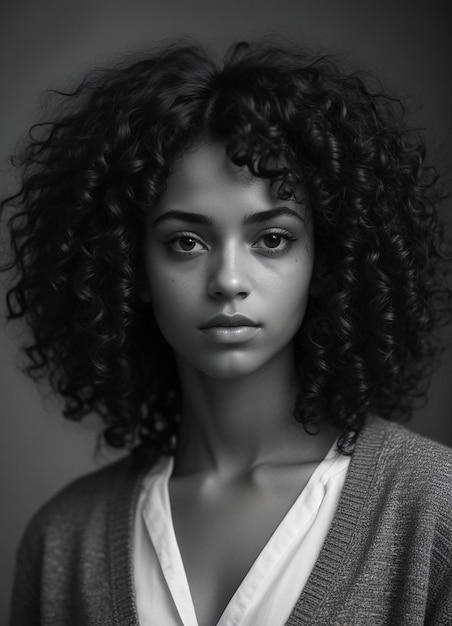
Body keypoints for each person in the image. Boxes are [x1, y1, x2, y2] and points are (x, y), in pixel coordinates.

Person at [2, 39, 452, 626]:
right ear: (131, 267)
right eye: (186, 242)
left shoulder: (433, 509)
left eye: (272, 239)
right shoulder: (65, 541)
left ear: (327, 261)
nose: (229, 280)